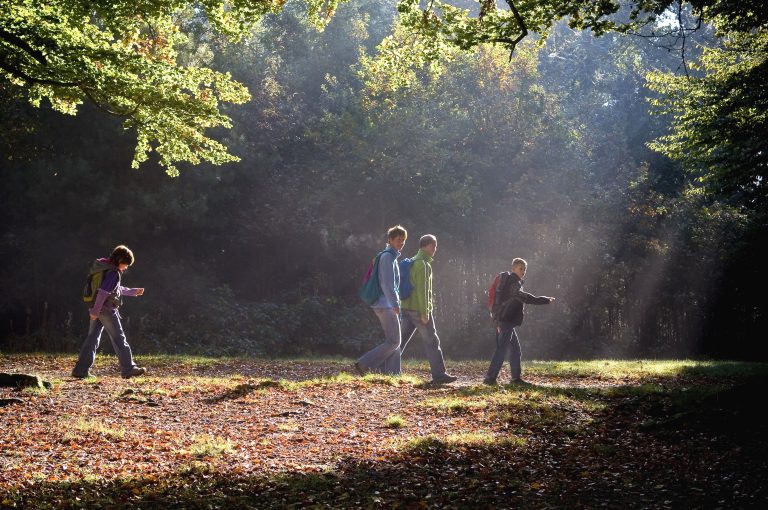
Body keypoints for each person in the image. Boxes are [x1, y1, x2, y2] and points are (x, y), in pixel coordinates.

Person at [387, 234, 457, 384]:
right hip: (419, 311)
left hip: (406, 308)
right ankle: (439, 375)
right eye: (434, 246)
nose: (435, 249)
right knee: (432, 341)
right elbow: (423, 292)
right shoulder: (423, 265)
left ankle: (386, 369)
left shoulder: (411, 262)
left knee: (400, 341)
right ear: (428, 246)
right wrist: (425, 313)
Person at [71, 245, 147, 379]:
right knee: (119, 338)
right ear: (120, 260)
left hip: (96, 307)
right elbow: (103, 292)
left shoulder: (103, 268)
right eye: (126, 264)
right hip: (105, 309)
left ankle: (80, 370)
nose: (126, 267)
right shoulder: (113, 272)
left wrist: (133, 291)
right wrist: (96, 311)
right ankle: (128, 368)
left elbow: (114, 289)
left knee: (92, 338)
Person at [484, 258, 554, 385]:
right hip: (505, 321)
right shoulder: (513, 281)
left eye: (525, 269)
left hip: (507, 321)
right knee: (502, 349)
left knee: (515, 350)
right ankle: (490, 378)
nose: (523, 271)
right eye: (521, 268)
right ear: (513, 268)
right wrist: (543, 300)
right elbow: (523, 297)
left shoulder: (513, 282)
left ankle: (515, 379)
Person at [355, 226, 407, 376]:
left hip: (386, 304)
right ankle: (364, 364)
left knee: (394, 340)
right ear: (390, 240)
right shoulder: (387, 257)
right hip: (385, 304)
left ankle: (392, 373)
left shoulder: (390, 256)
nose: (401, 243)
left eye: (403, 240)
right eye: (399, 240)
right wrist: (395, 303)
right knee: (394, 341)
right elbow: (387, 283)